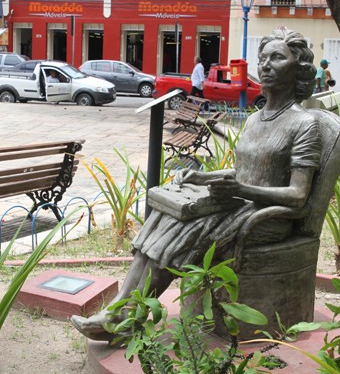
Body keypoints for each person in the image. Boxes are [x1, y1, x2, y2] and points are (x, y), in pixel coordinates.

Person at [71, 28, 322, 341]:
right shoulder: (255, 119)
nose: (266, 65)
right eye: (263, 58)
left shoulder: (304, 124)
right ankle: (122, 314)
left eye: (277, 58)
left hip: (268, 218)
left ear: (298, 69)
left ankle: (125, 318)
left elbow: (298, 196)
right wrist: (205, 177)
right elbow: (247, 170)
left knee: (183, 227)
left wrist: (240, 190)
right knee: (163, 216)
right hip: (240, 205)